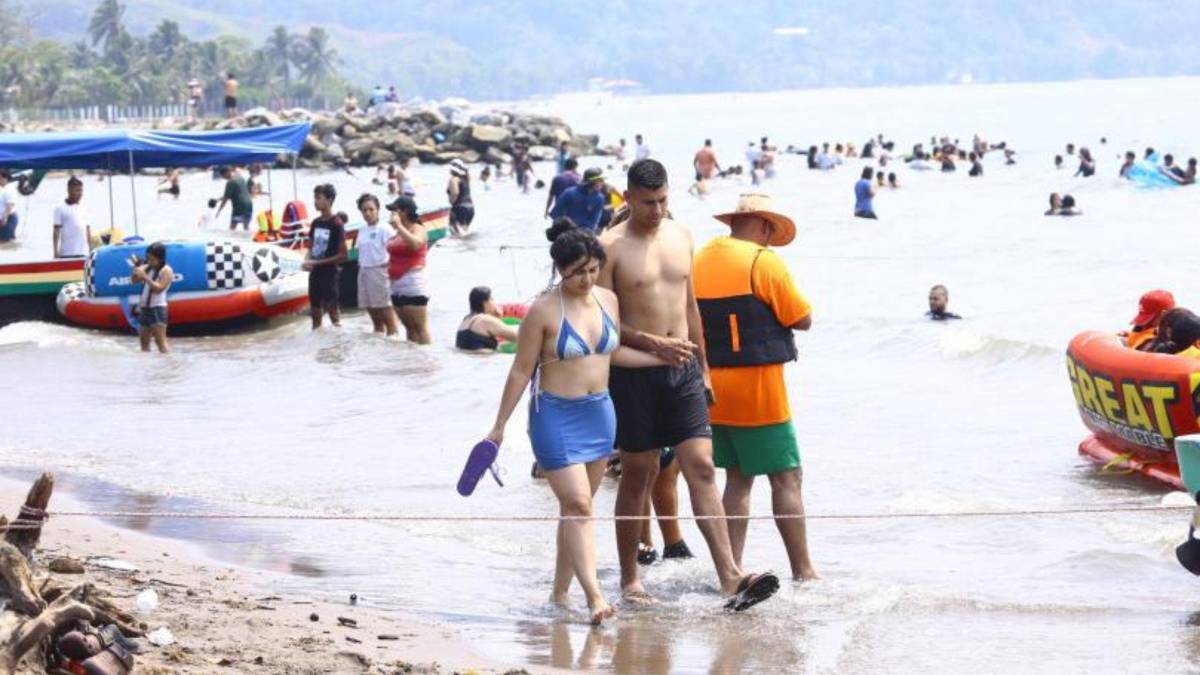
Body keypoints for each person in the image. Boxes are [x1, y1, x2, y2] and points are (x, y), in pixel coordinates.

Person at [598, 159, 779, 610]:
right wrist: (653, 344)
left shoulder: (682, 237)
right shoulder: (610, 247)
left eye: (662, 201)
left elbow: (692, 308)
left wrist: (704, 370)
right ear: (628, 197)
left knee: (699, 466)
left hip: (682, 371)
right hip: (634, 375)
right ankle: (629, 578)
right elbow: (601, 324)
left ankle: (730, 578)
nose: (656, 210)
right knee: (638, 475)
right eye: (646, 203)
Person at [484, 221, 666, 626]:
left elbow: (612, 356)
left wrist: (662, 357)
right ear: (559, 269)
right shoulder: (543, 311)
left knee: (574, 511)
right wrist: (498, 427)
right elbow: (520, 371)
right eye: (577, 271)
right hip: (555, 417)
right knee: (580, 504)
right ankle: (595, 598)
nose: (586, 279)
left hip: (600, 415)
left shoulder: (608, 300)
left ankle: (559, 592)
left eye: (592, 269)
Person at [695, 193, 818, 581]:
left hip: (710, 388)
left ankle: (731, 569)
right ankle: (804, 571)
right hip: (757, 390)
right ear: (764, 225)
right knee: (786, 476)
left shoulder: (700, 258)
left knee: (736, 475)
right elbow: (801, 317)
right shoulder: (763, 262)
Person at [386, 196, 431, 343]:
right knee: (410, 329)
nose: (392, 215)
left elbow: (416, 244)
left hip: (413, 282)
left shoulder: (418, 228)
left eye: (395, 211)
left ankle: (427, 359)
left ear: (405, 212)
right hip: (396, 285)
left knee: (420, 328)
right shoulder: (398, 232)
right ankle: (412, 361)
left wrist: (399, 226)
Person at [354, 194, 400, 337]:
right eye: (364, 210)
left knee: (386, 310)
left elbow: (396, 250)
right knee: (373, 313)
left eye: (371, 209)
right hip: (364, 271)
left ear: (378, 210)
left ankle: (394, 339)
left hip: (380, 272)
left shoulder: (384, 229)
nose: (367, 213)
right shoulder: (362, 230)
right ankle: (378, 342)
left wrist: (388, 268)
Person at [303, 184, 347, 329]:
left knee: (334, 317)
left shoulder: (336, 224)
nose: (315, 201)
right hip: (315, 275)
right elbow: (311, 246)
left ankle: (339, 347)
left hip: (329, 274)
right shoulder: (315, 223)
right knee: (315, 317)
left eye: (319, 198)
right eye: (314, 198)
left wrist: (318, 262)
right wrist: (307, 260)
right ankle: (318, 349)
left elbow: (343, 255)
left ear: (329, 200)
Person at [131, 242, 173, 353]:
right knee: (144, 343)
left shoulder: (166, 270)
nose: (150, 261)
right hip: (145, 308)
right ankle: (147, 369)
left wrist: (145, 276)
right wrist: (136, 269)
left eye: (152, 259)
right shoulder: (149, 267)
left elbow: (159, 288)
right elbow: (134, 281)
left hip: (157, 309)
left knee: (160, 343)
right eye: (148, 258)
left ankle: (168, 366)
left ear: (160, 258)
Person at [456, 286, 517, 351]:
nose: (495, 303)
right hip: (486, 360)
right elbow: (518, 336)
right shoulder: (484, 320)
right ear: (485, 303)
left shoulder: (465, 320)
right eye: (492, 299)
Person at [53, 177, 90, 258]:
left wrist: (90, 250)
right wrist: (55, 252)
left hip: (83, 253)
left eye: (81, 190)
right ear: (69, 190)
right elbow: (56, 232)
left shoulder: (84, 207)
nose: (80, 193)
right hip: (67, 253)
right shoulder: (60, 208)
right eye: (77, 190)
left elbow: (87, 230)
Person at [214, 166, 253, 231]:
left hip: (239, 207)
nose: (223, 178)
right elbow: (234, 193)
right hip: (249, 204)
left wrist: (219, 211)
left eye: (223, 176)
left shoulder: (230, 182)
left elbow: (225, 199)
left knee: (232, 228)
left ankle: (233, 241)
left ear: (226, 173)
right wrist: (218, 200)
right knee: (246, 228)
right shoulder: (240, 177)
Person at [447, 160, 475, 236]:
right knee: (464, 233)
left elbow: (455, 193)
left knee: (457, 233)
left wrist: (451, 204)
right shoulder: (466, 179)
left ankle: (458, 247)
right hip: (470, 208)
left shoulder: (454, 179)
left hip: (459, 208)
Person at [0, 170, 18, 242]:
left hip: (9, 218)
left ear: (5, 178)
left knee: (4, 241)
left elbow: (10, 205)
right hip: (6, 218)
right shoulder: (4, 188)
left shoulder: (9, 189)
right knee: (7, 241)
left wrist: (5, 218)